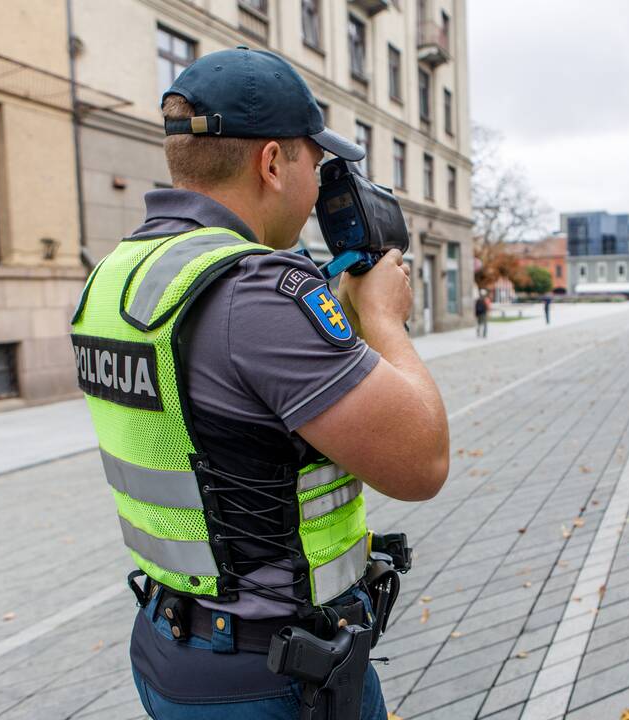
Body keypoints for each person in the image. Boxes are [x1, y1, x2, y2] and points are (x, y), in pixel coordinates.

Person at [70, 47, 449, 719]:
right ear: (273, 162)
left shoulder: (117, 275)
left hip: (169, 646)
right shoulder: (258, 291)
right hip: (277, 676)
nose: (317, 192)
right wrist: (385, 320)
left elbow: (228, 416)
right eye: (313, 162)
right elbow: (421, 463)